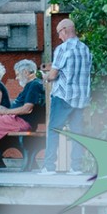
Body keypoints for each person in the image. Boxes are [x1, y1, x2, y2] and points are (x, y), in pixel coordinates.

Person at [42, 19, 93, 176]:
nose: (59, 37)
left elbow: (53, 74)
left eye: (59, 33)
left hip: (63, 96)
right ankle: (76, 167)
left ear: (64, 30)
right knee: (77, 132)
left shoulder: (62, 49)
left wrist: (45, 77)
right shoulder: (85, 49)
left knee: (53, 130)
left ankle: (49, 167)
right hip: (80, 98)